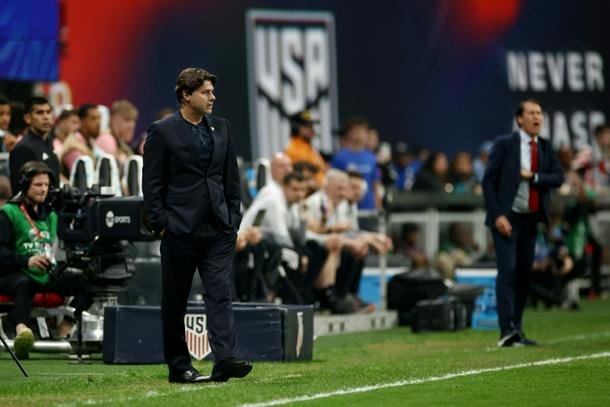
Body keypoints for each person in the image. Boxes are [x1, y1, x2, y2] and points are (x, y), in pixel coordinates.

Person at [143, 67, 251, 384]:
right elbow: (151, 184)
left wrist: (233, 219)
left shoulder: (222, 127)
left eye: (212, 91)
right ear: (186, 95)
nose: (212, 97)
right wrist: (163, 224)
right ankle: (179, 367)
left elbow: (231, 178)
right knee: (175, 300)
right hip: (180, 229)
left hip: (218, 228)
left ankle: (225, 360)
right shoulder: (162, 131)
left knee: (220, 293)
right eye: (205, 92)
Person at [482, 98, 563, 347]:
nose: (537, 117)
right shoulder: (505, 144)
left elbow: (558, 177)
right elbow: (488, 181)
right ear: (519, 119)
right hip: (507, 218)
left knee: (523, 275)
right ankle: (506, 331)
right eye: (531, 113)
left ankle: (517, 328)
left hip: (531, 219)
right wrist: (498, 215)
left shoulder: (546, 147)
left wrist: (534, 177)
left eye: (539, 113)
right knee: (507, 270)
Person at [0, 161, 93, 359]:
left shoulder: (51, 215)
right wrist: (27, 260)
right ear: (24, 185)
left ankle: (64, 328)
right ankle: (22, 332)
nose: (43, 189)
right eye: (38, 184)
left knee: (87, 282)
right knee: (24, 284)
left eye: (46, 185)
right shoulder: (8, 213)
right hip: (16, 272)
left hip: (45, 273)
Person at [9, 97, 60, 194]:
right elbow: (19, 190)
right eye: (40, 113)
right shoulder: (23, 148)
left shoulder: (49, 142)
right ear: (28, 118)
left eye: (48, 112)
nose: (46, 117)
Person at [284, 110, 327, 185]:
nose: (312, 129)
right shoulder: (294, 150)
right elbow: (304, 179)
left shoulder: (308, 147)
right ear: (296, 127)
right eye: (307, 126)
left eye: (312, 125)